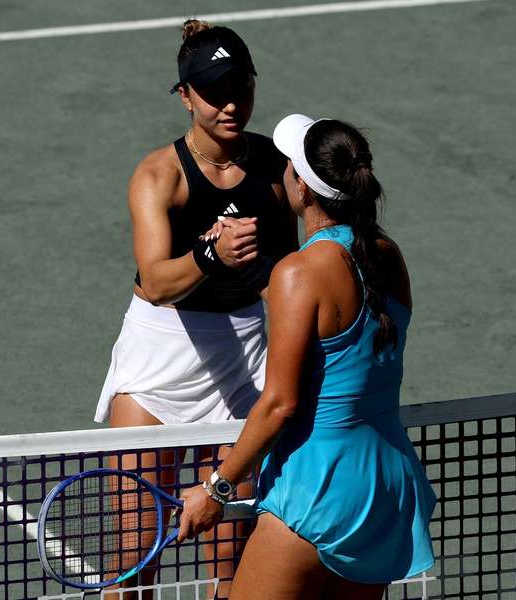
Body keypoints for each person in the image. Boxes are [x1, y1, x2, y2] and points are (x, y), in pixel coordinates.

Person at [178, 114, 437, 600]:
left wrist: (217, 486)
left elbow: (280, 404)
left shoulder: (301, 273)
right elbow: (342, 332)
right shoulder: (389, 255)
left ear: (302, 186)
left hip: (321, 489)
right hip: (387, 489)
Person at [93, 20, 297, 598]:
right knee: (136, 553)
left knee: (231, 561)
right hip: (160, 361)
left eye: (241, 88)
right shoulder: (158, 176)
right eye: (213, 92)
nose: (231, 104)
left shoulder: (276, 169)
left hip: (245, 362)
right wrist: (210, 252)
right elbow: (157, 282)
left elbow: (289, 272)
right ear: (185, 96)